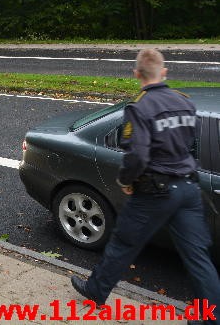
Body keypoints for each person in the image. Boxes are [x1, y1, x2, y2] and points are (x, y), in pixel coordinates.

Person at [70, 48, 219, 324]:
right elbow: (191, 143)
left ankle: (96, 290)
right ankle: (211, 317)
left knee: (123, 242)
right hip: (188, 188)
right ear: (164, 72)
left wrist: (126, 181)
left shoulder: (140, 108)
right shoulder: (184, 101)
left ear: (137, 74)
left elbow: (137, 155)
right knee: (198, 256)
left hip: (155, 192)